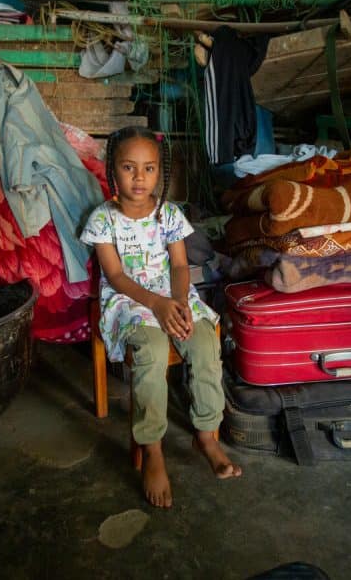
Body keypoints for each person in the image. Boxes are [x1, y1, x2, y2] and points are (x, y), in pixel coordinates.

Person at [80, 126, 242, 508]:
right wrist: (155, 304)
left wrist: (179, 301)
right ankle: (151, 447)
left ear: (161, 173)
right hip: (129, 301)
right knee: (151, 350)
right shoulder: (102, 220)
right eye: (129, 167)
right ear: (112, 172)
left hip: (171, 296)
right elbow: (116, 276)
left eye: (149, 168)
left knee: (204, 342)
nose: (140, 178)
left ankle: (206, 433)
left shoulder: (169, 215)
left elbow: (181, 265)